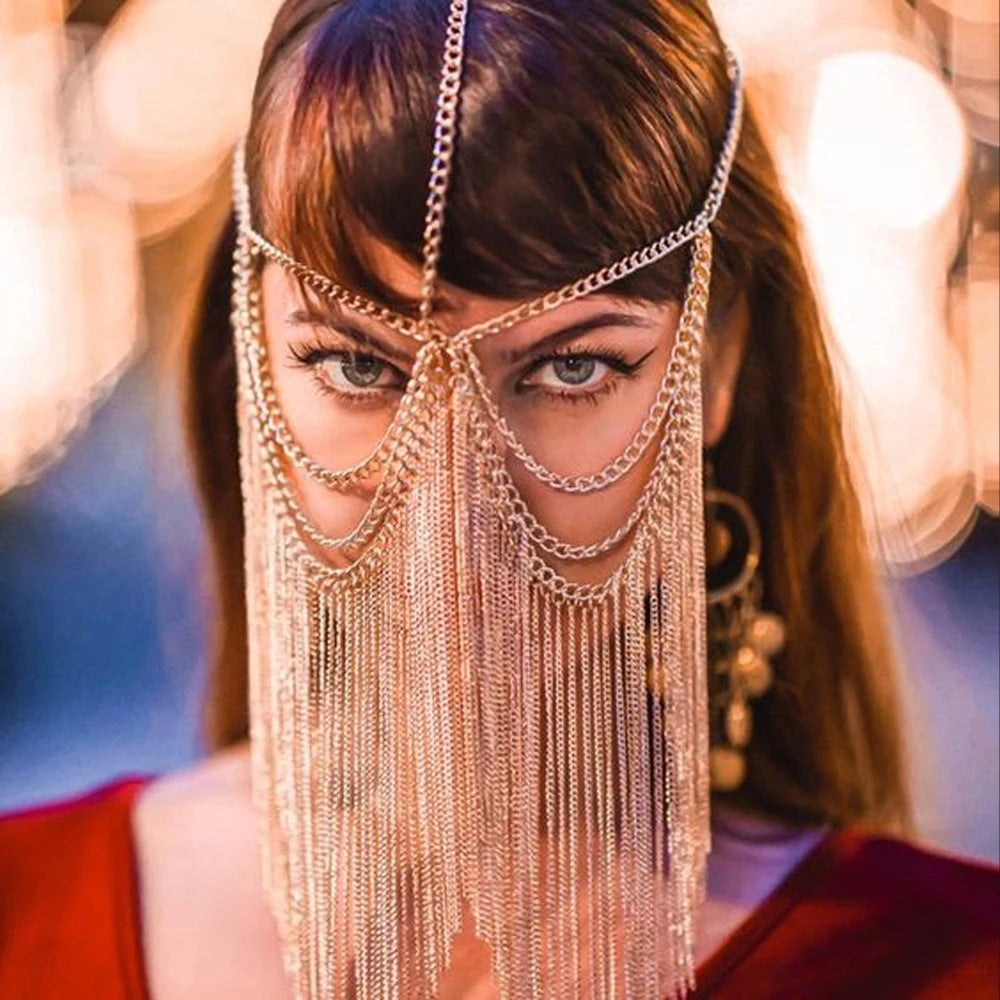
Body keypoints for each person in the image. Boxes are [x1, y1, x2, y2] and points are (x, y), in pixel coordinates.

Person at [0, 1, 996, 998]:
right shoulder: (24, 914)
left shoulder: (950, 962)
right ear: (253, 357)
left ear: (718, 364)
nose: (452, 503)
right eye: (354, 363)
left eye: (571, 369)